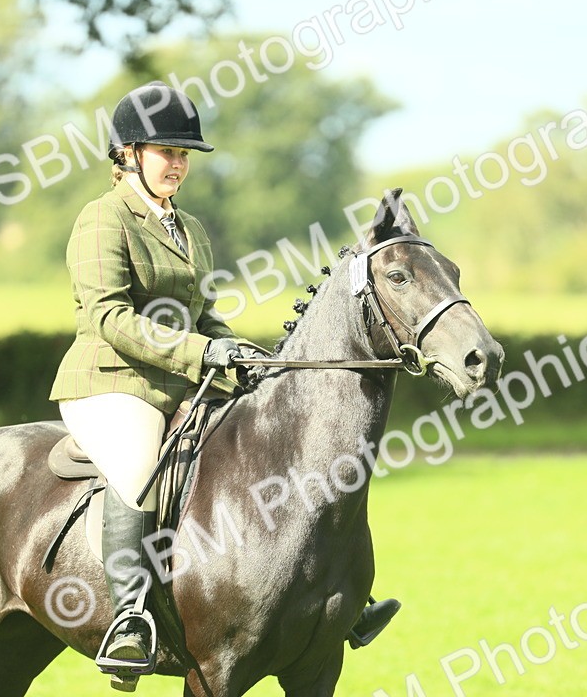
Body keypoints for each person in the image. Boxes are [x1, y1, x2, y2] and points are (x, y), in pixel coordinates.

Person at [50, 81, 398, 692]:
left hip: (183, 379)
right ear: (129, 153)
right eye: (167, 152)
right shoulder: (102, 219)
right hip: (112, 382)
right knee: (138, 466)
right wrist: (201, 351)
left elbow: (203, 313)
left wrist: (235, 350)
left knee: (269, 447)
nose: (178, 164)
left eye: (184, 154)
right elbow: (109, 317)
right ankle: (129, 617)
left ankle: (334, 596)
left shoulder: (190, 228)